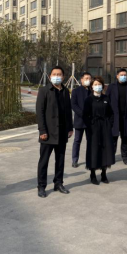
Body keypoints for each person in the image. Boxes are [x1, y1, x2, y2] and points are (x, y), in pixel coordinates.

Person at [36, 66, 74, 198]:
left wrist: (70, 128)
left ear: (63, 77)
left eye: (59, 74)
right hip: (48, 133)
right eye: (54, 74)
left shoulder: (65, 91)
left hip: (62, 132)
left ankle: (58, 183)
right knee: (44, 161)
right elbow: (40, 112)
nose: (56, 76)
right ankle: (41, 186)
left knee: (60, 160)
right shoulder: (44, 91)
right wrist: (42, 130)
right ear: (50, 76)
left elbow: (68, 111)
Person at [83, 77, 116, 185]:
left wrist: (109, 124)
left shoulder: (106, 98)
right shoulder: (89, 99)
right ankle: (92, 174)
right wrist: (90, 126)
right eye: (95, 84)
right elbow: (85, 115)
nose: (98, 86)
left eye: (99, 84)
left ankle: (104, 173)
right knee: (94, 150)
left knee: (105, 149)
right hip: (93, 127)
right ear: (92, 87)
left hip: (105, 127)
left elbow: (111, 113)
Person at [107, 68, 127, 165]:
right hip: (114, 117)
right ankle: (111, 156)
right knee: (113, 137)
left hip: (126, 117)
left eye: (125, 75)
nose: (123, 76)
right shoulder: (112, 87)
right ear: (117, 76)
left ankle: (125, 157)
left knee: (125, 138)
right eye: (121, 75)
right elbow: (107, 99)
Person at [71, 72, 93, 168]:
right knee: (77, 140)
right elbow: (73, 105)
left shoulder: (92, 91)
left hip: (90, 121)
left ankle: (90, 159)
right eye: (86, 78)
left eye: (90, 78)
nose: (88, 80)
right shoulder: (76, 91)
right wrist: (82, 114)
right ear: (81, 80)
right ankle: (74, 160)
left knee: (90, 141)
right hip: (79, 120)